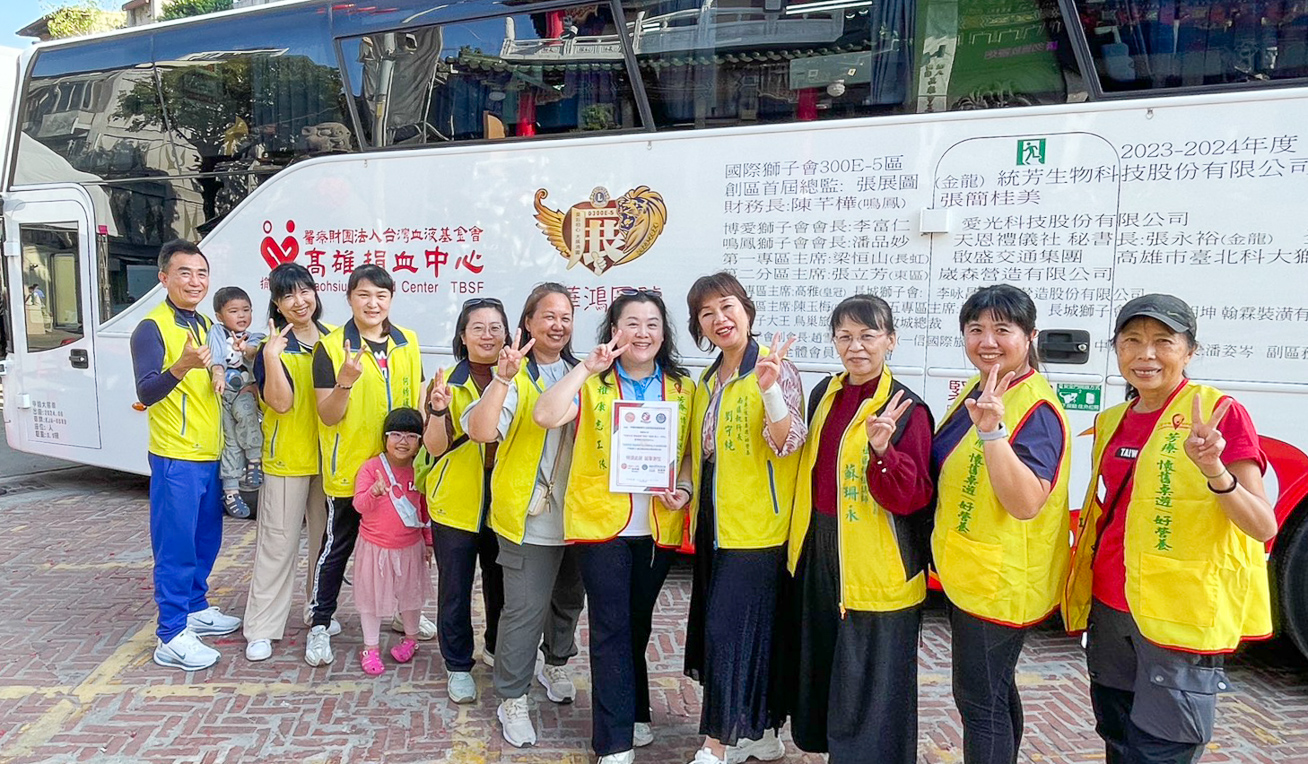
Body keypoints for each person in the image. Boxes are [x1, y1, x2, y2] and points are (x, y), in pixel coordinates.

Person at [1064, 294, 1275, 763]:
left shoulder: (1220, 413)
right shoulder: (1111, 421)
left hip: (1180, 614)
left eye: (1164, 341)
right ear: (1116, 348)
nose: (1147, 354)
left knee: (1163, 750)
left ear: (1189, 351)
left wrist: (1215, 470)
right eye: (1132, 341)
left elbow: (1262, 525)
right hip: (1111, 609)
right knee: (1119, 740)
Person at [533, 290, 695, 764]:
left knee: (637, 624)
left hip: (658, 527)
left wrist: (684, 490)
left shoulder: (683, 388)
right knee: (610, 627)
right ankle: (614, 742)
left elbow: (688, 454)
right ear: (614, 330)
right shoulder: (592, 384)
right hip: (600, 525)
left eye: (652, 324)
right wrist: (586, 367)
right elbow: (545, 414)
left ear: (664, 333)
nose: (642, 333)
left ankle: (635, 710)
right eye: (632, 323)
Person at [784, 295, 935, 764]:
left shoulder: (907, 409)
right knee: (829, 662)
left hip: (878, 560)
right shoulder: (825, 394)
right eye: (845, 336)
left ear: (891, 340)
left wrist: (883, 452)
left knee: (874, 678)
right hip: (822, 547)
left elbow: (913, 498)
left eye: (868, 336)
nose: (856, 347)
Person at [931, 284, 1071, 764]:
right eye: (976, 329)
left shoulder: (1035, 407)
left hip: (1000, 580)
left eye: (1002, 329)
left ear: (1029, 336)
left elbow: (1026, 502)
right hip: (974, 572)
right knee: (994, 691)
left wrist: (992, 433)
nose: (987, 341)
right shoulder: (987, 388)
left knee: (979, 703)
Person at [683, 272, 806, 764]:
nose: (719, 318)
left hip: (758, 528)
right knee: (748, 634)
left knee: (726, 634)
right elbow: (702, 453)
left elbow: (788, 441)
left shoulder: (775, 368)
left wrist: (770, 390)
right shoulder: (708, 379)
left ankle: (716, 746)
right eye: (706, 313)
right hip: (715, 522)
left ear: (747, 311)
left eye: (727, 306)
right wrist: (684, 490)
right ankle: (761, 734)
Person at [465, 282, 585, 749]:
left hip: (580, 517)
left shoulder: (586, 373)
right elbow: (481, 431)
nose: (558, 325)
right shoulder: (514, 374)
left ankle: (554, 664)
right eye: (548, 316)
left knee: (567, 602)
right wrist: (501, 379)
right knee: (524, 611)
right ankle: (512, 697)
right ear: (529, 322)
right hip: (527, 518)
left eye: (565, 317)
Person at [305, 264, 428, 667]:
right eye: (363, 294)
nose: (373, 303)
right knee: (337, 547)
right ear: (349, 298)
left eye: (381, 295)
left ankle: (404, 616)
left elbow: (417, 401)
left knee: (403, 546)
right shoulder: (331, 347)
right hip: (353, 469)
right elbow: (327, 415)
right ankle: (320, 622)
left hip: (401, 469)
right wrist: (345, 380)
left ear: (391, 298)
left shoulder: (407, 341)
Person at [130, 239, 240, 671]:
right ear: (164, 278)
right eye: (184, 273)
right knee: (175, 547)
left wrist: (223, 369)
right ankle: (171, 634)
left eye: (201, 273)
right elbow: (146, 391)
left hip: (210, 452)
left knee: (205, 540)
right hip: (176, 456)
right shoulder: (151, 328)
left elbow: (217, 369)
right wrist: (181, 366)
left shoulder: (206, 323)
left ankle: (195, 608)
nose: (195, 281)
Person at [242, 263, 336, 662]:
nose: (299, 302)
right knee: (278, 544)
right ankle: (262, 627)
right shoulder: (272, 347)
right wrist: (271, 357)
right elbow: (280, 404)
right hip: (287, 459)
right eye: (288, 296)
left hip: (330, 460)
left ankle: (319, 613)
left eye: (305, 291)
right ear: (277, 305)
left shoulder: (335, 340)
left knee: (325, 544)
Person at [418, 297, 510, 703]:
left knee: (501, 582)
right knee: (455, 587)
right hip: (456, 500)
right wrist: (439, 410)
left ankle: (495, 646)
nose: (487, 336)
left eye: (495, 327)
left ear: (507, 334)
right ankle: (457, 664)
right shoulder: (445, 383)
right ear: (463, 336)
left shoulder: (518, 379)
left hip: (505, 496)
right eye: (478, 328)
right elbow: (435, 448)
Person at [352, 407, 434, 675]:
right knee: (371, 598)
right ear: (385, 437)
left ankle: (411, 639)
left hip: (410, 547)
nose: (403, 441)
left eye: (411, 436)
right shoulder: (371, 468)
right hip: (374, 547)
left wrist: (428, 542)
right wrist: (373, 493)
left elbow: (425, 510)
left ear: (420, 441)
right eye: (396, 434)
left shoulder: (420, 468)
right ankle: (370, 647)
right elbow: (359, 505)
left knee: (411, 596)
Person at [208, 286, 266, 519]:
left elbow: (254, 353)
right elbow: (216, 355)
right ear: (220, 316)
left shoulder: (256, 337)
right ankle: (231, 492)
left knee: (247, 415)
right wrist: (218, 373)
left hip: (244, 392)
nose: (241, 315)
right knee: (230, 442)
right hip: (223, 396)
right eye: (234, 311)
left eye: (246, 309)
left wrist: (246, 349)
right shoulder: (217, 332)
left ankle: (254, 461)